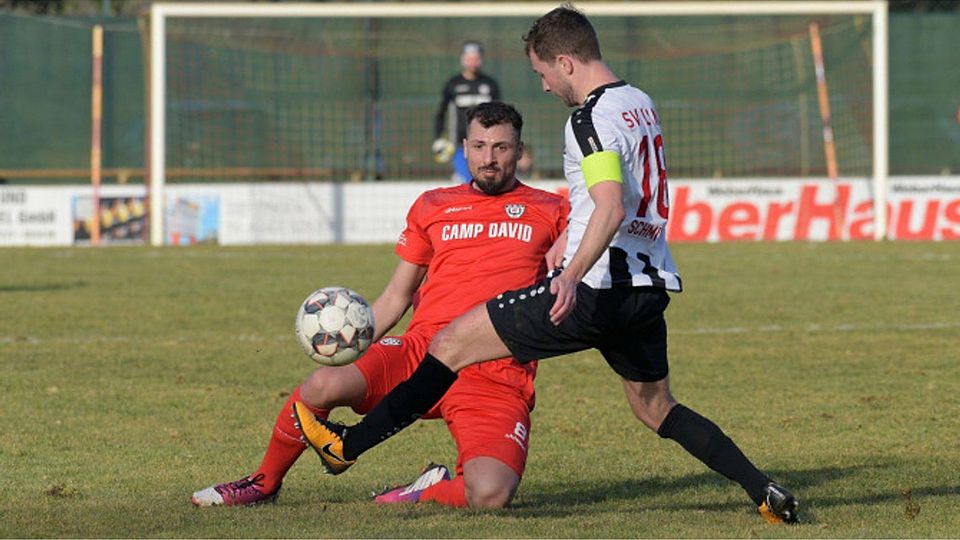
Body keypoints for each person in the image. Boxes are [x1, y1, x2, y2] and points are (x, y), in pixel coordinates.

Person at [295, 5, 800, 525]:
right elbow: (618, 194)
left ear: (565, 62)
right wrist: (570, 238)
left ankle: (347, 447)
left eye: (542, 73)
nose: (542, 86)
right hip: (646, 287)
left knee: (448, 343)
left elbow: (610, 204)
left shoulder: (587, 118)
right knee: (656, 408)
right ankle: (763, 490)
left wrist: (572, 271)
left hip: (597, 288)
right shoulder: (638, 102)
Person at [191, 101, 567, 509]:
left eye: (501, 148)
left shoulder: (553, 211)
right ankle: (263, 483)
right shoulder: (434, 205)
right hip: (423, 351)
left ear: (519, 149)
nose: (488, 159)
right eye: (478, 146)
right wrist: (352, 338)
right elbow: (396, 296)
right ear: (464, 146)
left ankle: (426, 490)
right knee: (322, 385)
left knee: (490, 494)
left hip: (496, 370)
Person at [432, 41, 501, 183]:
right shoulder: (453, 84)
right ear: (463, 59)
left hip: (486, 145)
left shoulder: (490, 84)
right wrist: (439, 137)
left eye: (476, 58)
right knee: (467, 180)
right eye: (469, 58)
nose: (472, 62)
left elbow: (500, 114)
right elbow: (441, 113)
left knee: (485, 181)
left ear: (481, 60)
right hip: (460, 145)